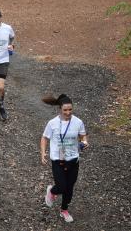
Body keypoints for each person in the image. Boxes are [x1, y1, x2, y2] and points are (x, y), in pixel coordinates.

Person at [40, 93, 89, 223]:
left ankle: (64, 210)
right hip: (58, 159)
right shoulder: (52, 123)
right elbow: (45, 138)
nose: (68, 112)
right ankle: (52, 191)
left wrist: (84, 142)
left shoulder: (78, 122)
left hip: (73, 159)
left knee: (69, 188)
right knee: (61, 186)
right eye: (65, 110)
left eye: (70, 109)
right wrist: (43, 153)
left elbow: (83, 136)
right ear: (60, 109)